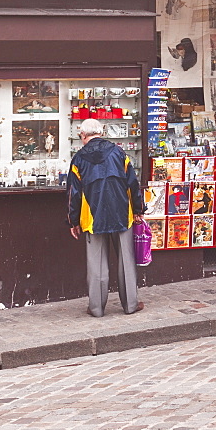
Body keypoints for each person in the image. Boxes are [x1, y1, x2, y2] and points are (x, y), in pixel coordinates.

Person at [68, 118, 144, 317]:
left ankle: (96, 309)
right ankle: (130, 305)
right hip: (122, 212)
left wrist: (73, 221)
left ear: (83, 136)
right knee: (126, 260)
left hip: (93, 216)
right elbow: (132, 183)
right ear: (101, 132)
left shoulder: (78, 159)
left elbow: (73, 194)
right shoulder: (118, 152)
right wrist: (138, 209)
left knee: (96, 264)